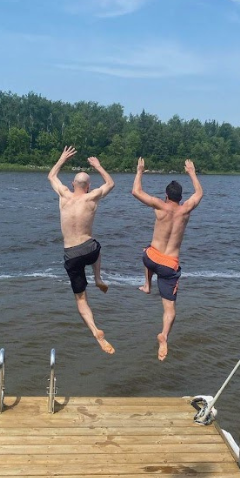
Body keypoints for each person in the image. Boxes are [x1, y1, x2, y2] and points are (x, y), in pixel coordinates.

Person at [131, 157, 203, 361]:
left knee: (148, 251)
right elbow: (199, 193)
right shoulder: (185, 210)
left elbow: (136, 192)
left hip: (151, 259)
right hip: (169, 265)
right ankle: (164, 336)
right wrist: (191, 172)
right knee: (170, 310)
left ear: (166, 196)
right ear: (180, 197)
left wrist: (140, 171)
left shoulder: (160, 206)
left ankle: (147, 285)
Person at [48, 146, 116, 354]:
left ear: (72, 184)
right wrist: (98, 165)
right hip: (89, 249)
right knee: (96, 247)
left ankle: (95, 330)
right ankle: (97, 277)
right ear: (88, 186)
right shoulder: (92, 197)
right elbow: (111, 183)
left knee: (81, 299)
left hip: (71, 253)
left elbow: (51, 176)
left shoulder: (64, 195)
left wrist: (61, 159)